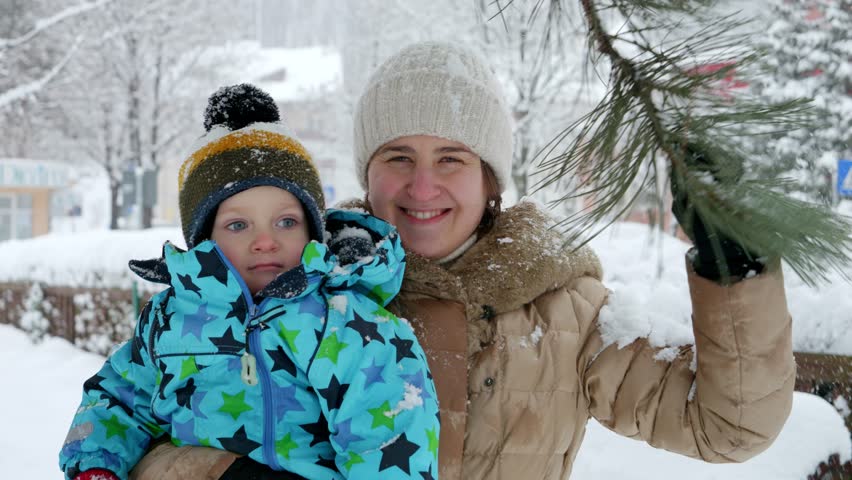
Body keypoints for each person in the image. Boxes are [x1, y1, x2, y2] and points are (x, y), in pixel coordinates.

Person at [129, 42, 795, 480]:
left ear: (490, 179)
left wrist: (735, 268)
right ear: (367, 172)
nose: (423, 188)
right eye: (398, 159)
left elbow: (728, 427)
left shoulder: (568, 315)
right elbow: (129, 439)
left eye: (452, 159)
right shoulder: (278, 290)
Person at [58, 84, 440, 480]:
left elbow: (387, 439)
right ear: (204, 239)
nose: (264, 241)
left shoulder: (350, 326)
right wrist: (94, 465)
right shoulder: (169, 319)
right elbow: (118, 398)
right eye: (238, 224)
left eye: (286, 221)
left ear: (313, 231)